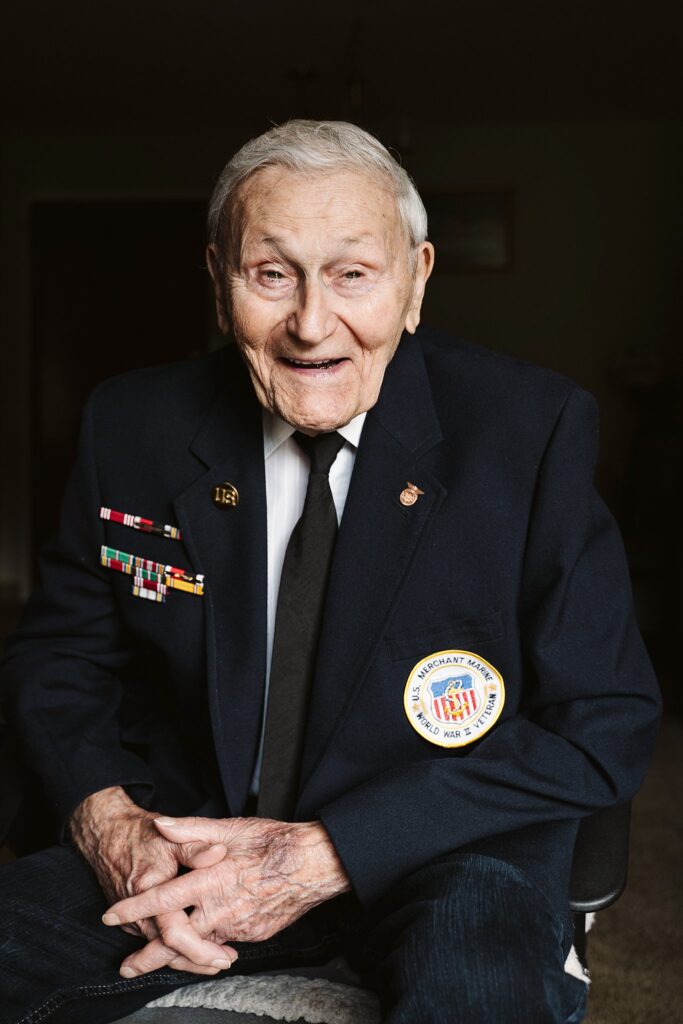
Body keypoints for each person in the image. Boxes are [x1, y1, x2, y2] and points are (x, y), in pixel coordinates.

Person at [0, 120, 661, 1024]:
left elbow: (603, 722)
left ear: (417, 280)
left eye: (353, 274)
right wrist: (108, 821)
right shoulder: (133, 425)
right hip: (191, 842)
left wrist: (325, 854)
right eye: (271, 275)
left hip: (444, 848)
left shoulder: (528, 430)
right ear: (217, 277)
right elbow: (58, 658)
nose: (312, 325)